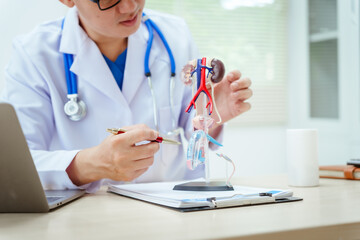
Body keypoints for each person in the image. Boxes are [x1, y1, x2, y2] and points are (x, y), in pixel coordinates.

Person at [1, 0, 252, 192]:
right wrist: (90, 163)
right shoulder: (34, 55)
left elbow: (191, 134)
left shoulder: (174, 34)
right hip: (87, 217)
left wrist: (211, 115)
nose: (131, 6)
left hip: (174, 205)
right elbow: (16, 166)